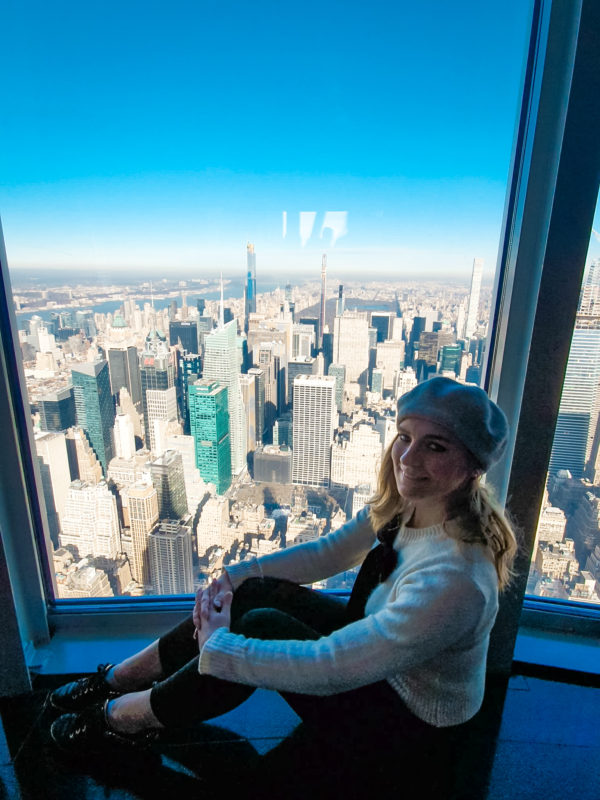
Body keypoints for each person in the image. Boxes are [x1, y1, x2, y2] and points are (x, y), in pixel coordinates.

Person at [49, 376, 517, 769]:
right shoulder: (407, 507)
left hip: (409, 727)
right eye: (405, 438)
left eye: (434, 447)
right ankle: (122, 678)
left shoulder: (456, 577)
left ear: (473, 466)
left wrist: (219, 647)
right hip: (377, 660)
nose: (408, 458)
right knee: (253, 593)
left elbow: (332, 667)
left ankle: (125, 719)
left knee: (259, 627)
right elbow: (326, 554)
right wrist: (233, 577)